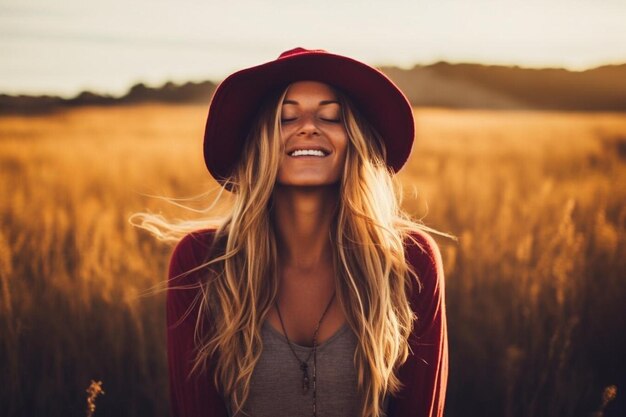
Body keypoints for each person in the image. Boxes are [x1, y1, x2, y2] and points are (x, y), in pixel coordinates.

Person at [164, 47, 448, 417]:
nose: (309, 126)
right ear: (258, 143)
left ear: (356, 142)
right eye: (285, 117)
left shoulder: (408, 259)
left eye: (331, 116)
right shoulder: (201, 262)